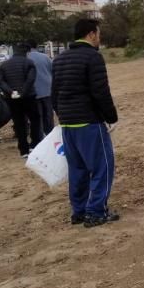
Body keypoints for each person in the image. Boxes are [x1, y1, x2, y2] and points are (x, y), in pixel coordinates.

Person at [52, 18, 119, 227]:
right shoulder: (93, 57)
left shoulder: (60, 59)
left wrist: (62, 115)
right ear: (91, 34)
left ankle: (78, 211)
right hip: (89, 122)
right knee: (102, 167)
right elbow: (100, 91)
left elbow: (53, 94)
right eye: (98, 33)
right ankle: (96, 211)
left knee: (77, 169)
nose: (99, 38)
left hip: (68, 124)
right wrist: (111, 117)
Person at [0, 43, 42, 158]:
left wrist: (11, 92)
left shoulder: (4, 65)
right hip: (29, 97)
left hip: (12, 99)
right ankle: (35, 144)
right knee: (35, 120)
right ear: (26, 53)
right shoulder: (29, 63)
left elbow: (0, 82)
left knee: (19, 122)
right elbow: (30, 80)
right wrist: (23, 92)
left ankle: (23, 149)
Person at [28, 42, 55, 136]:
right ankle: (50, 133)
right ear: (36, 46)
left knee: (37, 115)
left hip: (33, 91)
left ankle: (40, 134)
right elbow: (53, 70)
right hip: (47, 89)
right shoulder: (45, 57)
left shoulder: (26, 58)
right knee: (48, 114)